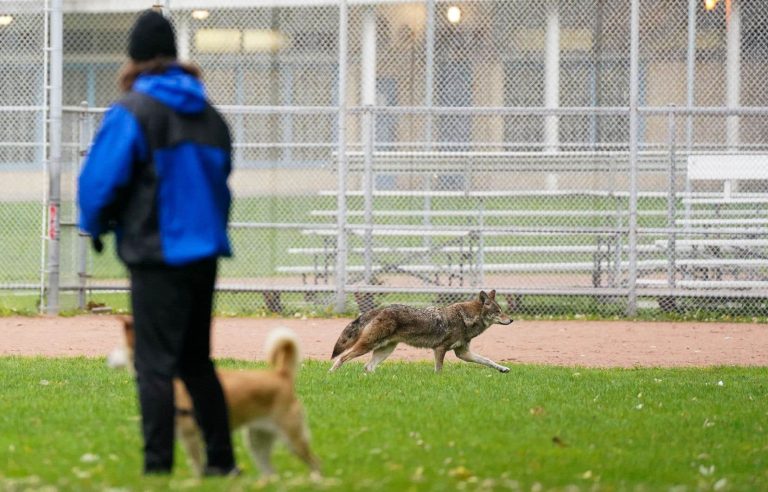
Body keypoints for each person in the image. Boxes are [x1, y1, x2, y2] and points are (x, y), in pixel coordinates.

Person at [77, 9, 238, 476]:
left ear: (134, 58)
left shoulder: (132, 110)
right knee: (196, 361)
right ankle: (222, 464)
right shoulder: (210, 115)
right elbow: (220, 180)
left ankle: (156, 469)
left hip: (156, 252)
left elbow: (97, 182)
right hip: (204, 252)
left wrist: (98, 224)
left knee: (154, 365)